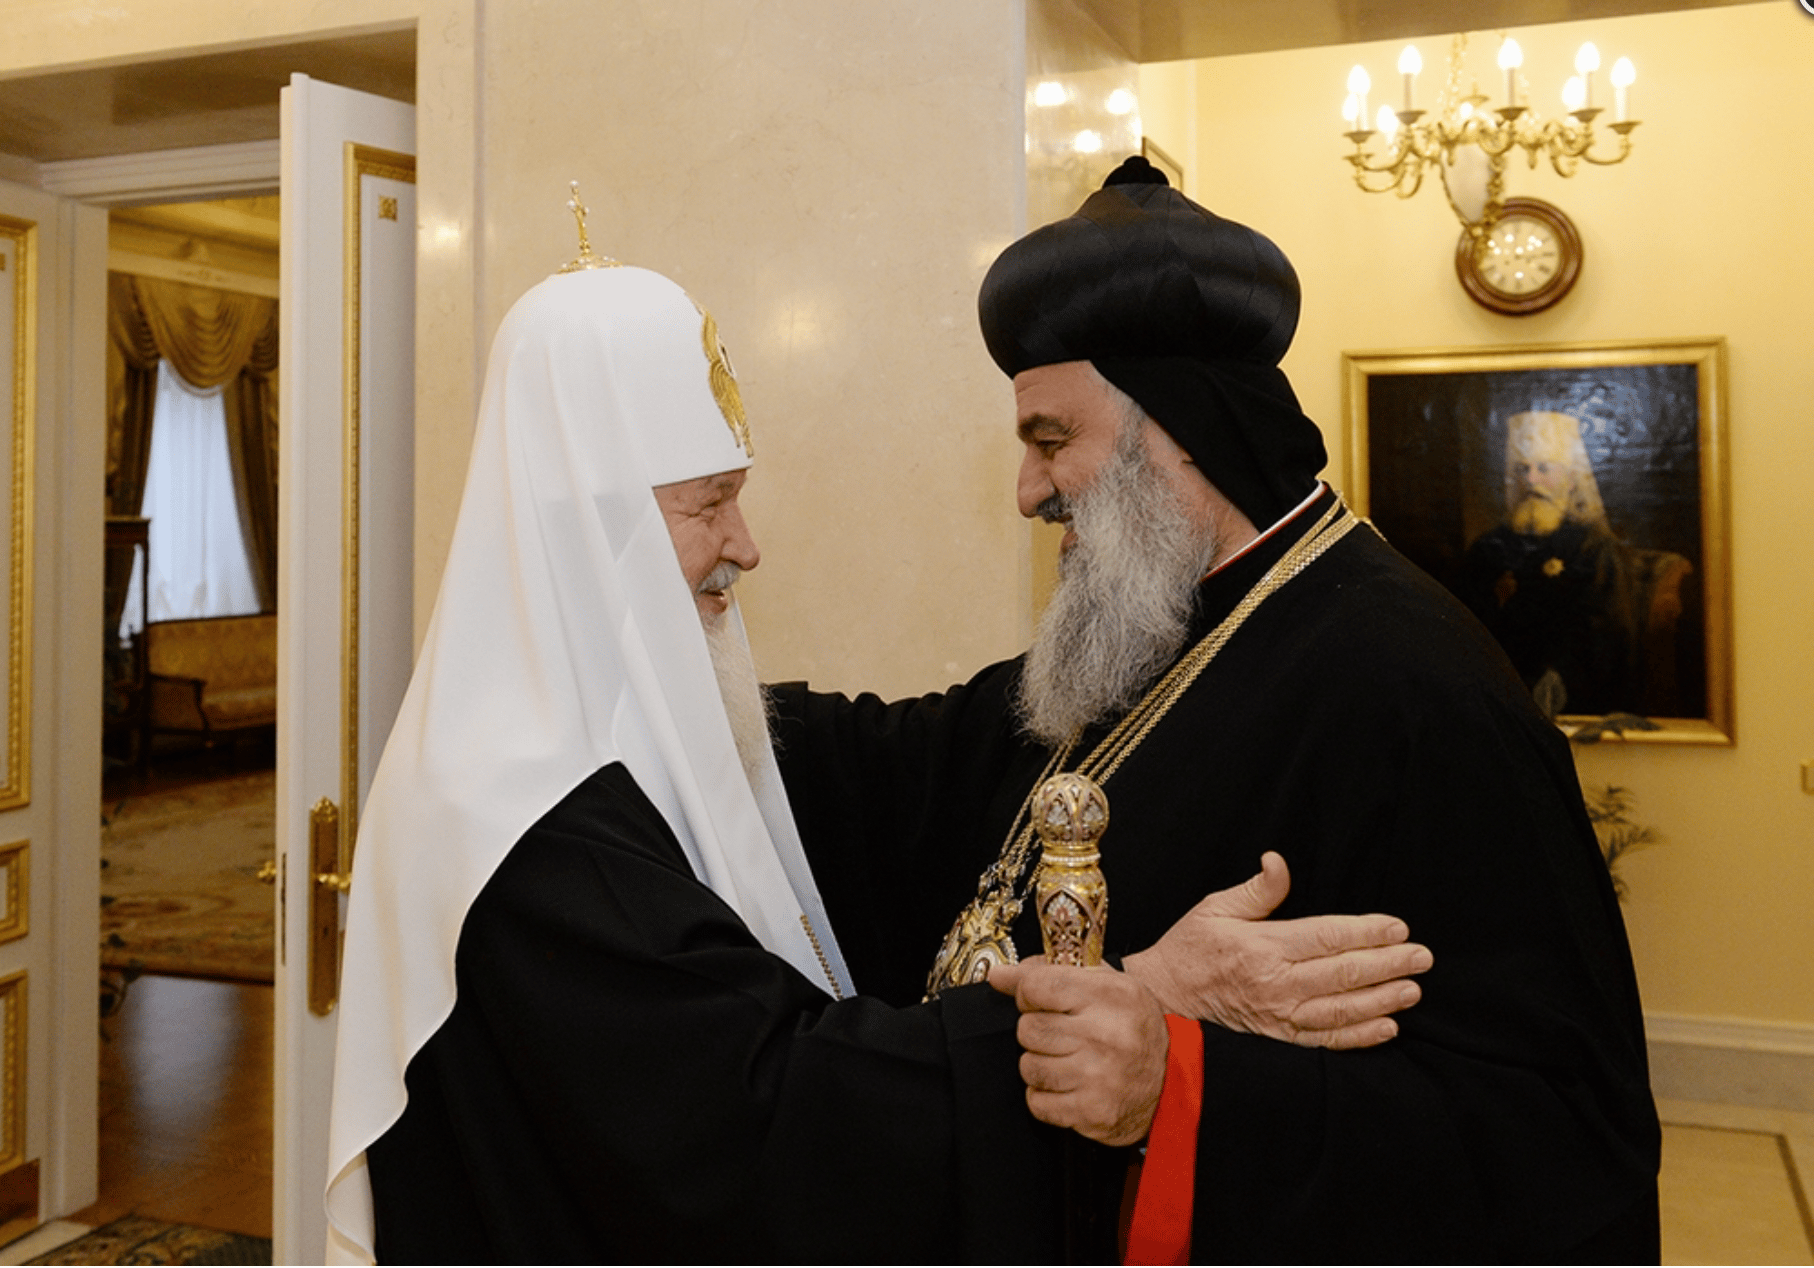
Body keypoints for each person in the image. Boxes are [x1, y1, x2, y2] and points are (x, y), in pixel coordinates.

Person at [321, 235, 1433, 1263]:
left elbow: (905, 757)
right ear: (586, 526)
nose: (744, 549)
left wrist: (1214, 602)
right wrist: (1136, 994)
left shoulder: (573, 738)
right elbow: (771, 1126)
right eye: (709, 505)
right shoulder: (519, 816)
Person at [770, 156, 1662, 1263]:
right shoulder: (1145, 629)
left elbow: (1559, 1138)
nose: (1027, 489)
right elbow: (903, 764)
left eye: (1050, 440)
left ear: (1177, 426)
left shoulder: (1413, 687)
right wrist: (667, 679)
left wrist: (1181, 1081)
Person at [1458, 409, 1695, 718]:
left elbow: (1608, 631)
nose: (1531, 480)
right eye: (1522, 469)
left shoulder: (1592, 547)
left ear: (1570, 480)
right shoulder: (1487, 547)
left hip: (1571, 694)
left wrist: (1562, 675)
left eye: (1544, 468)